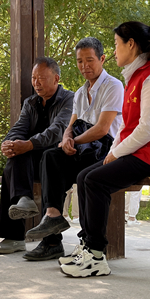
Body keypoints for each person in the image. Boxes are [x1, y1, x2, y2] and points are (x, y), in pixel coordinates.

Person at [60, 22, 150, 277]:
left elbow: (147, 130)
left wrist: (116, 153)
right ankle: (87, 245)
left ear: (131, 44)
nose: (115, 50)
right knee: (84, 177)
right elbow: (127, 126)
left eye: (117, 44)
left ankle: (96, 256)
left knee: (95, 181)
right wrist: (113, 151)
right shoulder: (136, 76)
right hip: (139, 151)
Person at [23, 38, 123, 261]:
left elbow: (102, 129)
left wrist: (74, 142)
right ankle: (52, 224)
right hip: (84, 149)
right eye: (79, 61)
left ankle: (87, 244)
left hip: (105, 151)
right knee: (51, 158)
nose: (84, 66)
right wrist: (67, 139)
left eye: (89, 60)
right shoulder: (79, 92)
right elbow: (70, 125)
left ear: (102, 59)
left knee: (83, 176)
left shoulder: (113, 86)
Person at [0, 58, 73, 254]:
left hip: (60, 159)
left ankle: (50, 242)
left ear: (56, 78)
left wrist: (28, 144)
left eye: (41, 78)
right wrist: (9, 143)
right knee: (14, 158)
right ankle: (18, 222)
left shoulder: (69, 99)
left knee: (45, 159)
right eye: (34, 78)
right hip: (33, 159)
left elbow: (58, 130)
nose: (36, 83)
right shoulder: (30, 102)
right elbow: (20, 127)